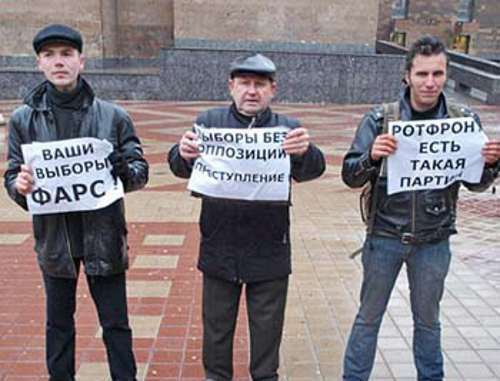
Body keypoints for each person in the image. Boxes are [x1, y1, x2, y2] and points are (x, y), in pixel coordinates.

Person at [341, 35, 500, 381]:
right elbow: (350, 176)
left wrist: (490, 164)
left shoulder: (463, 119)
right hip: (384, 237)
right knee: (368, 319)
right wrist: (371, 156)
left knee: (428, 322)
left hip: (434, 241)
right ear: (407, 76)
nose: (430, 82)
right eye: (423, 74)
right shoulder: (381, 118)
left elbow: (475, 183)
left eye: (438, 74)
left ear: (446, 75)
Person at [3, 24, 148, 381]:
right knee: (58, 328)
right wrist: (19, 187)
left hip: (104, 239)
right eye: (50, 55)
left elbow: (140, 170)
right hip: (55, 242)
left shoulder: (113, 116)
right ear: (39, 63)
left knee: (116, 326)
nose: (59, 62)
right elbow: (11, 176)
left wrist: (123, 170)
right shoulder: (23, 119)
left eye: (66, 54)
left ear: (81, 61)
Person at [168, 53, 325, 381]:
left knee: (267, 333)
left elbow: (313, 170)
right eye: (244, 84)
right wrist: (180, 153)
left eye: (260, 85)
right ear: (231, 87)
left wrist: (305, 152)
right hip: (218, 247)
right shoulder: (209, 122)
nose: (251, 91)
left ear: (273, 90)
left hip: (269, 249)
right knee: (216, 330)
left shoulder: (288, 129)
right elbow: (181, 165)